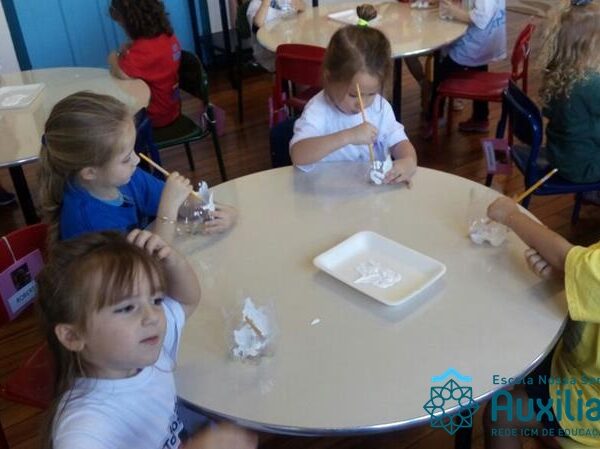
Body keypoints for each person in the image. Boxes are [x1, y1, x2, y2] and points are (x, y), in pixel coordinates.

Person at [38, 229, 258, 449]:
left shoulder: (144, 350)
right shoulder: (85, 425)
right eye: (127, 308)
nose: (152, 316)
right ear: (72, 336)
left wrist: (173, 260)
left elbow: (187, 300)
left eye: (156, 300)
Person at [38, 91, 236, 244]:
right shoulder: (87, 221)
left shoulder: (127, 177)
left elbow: (184, 204)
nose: (136, 160)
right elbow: (149, 266)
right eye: (125, 158)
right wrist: (168, 209)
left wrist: (212, 212)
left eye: (133, 151)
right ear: (90, 172)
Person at [484, 196, 600, 448]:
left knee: (501, 412)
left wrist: (510, 215)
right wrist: (565, 275)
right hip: (576, 365)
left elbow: (564, 257)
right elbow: (584, 271)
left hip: (586, 402)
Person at [289, 6, 418, 186]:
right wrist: (348, 136)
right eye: (353, 94)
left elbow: (399, 143)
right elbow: (298, 155)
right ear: (329, 78)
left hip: (371, 196)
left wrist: (408, 162)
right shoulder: (319, 109)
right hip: (329, 195)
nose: (362, 103)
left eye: (371, 94)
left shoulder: (379, 107)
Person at [539, 0, 600, 186]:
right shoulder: (591, 84)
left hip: (560, 155)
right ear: (589, 47)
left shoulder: (558, 72)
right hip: (586, 165)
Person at [425, 0, 506, 137]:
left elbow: (481, 18)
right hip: (489, 42)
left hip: (477, 45)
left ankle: (435, 118)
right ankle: (480, 118)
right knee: (479, 69)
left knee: (442, 70)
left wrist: (453, 11)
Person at [107, 0, 181, 128]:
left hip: (154, 116)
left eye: (122, 25)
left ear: (132, 23)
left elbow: (121, 73)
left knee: (110, 119)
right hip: (172, 108)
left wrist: (113, 56)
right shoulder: (168, 37)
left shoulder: (145, 49)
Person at [246, 0, 306, 72]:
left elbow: (302, 9)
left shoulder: (284, 2)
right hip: (269, 53)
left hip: (289, 45)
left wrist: (300, 6)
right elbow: (257, 27)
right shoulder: (255, 5)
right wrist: (265, 3)